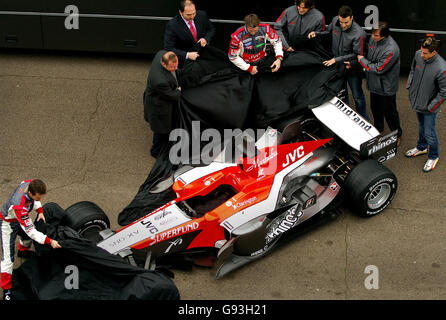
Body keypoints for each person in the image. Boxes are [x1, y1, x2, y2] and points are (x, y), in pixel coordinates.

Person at [1, 179, 61, 300]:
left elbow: (34, 201)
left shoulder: (29, 183)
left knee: (25, 236)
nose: (40, 200)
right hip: (7, 224)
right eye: (38, 198)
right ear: (31, 193)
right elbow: (32, 232)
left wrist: (40, 211)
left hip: (17, 218)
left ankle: (22, 250)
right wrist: (50, 241)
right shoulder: (20, 207)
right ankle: (6, 290)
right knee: (8, 259)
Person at [309, 5, 369, 120]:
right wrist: (316, 33)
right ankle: (345, 120)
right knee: (342, 94)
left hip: (352, 69)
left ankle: (364, 120)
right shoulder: (336, 20)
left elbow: (357, 55)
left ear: (352, 18)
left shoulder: (359, 34)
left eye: (346, 22)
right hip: (338, 67)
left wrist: (336, 59)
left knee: (357, 97)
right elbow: (328, 32)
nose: (343, 25)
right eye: (341, 22)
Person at [357, 21, 402, 145]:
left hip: (386, 87)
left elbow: (379, 69)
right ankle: (378, 130)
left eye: (376, 35)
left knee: (390, 112)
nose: (373, 37)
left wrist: (362, 61)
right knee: (375, 109)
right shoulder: (373, 40)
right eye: (372, 34)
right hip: (374, 85)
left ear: (385, 35)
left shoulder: (391, 49)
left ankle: (397, 134)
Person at [405, 36, 446, 172]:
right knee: (421, 126)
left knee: (429, 132)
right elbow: (412, 70)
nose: (421, 55)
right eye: (421, 51)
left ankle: (433, 156)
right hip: (418, 101)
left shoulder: (441, 67)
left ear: (434, 52)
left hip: (429, 107)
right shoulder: (418, 54)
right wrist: (409, 85)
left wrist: (431, 106)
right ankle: (422, 147)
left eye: (425, 53)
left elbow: (444, 91)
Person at [144, 50, 181, 158]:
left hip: (157, 99)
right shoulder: (160, 80)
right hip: (158, 108)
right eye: (172, 67)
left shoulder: (161, 54)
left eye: (176, 65)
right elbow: (172, 95)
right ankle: (155, 151)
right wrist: (178, 90)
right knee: (160, 131)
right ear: (164, 64)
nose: (176, 69)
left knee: (163, 130)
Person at [164, 0, 216, 68]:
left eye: (194, 13)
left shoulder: (202, 15)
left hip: (203, 55)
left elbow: (211, 29)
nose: (192, 17)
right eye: (188, 14)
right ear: (180, 12)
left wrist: (205, 39)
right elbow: (168, 48)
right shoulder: (172, 25)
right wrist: (187, 55)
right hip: (185, 62)